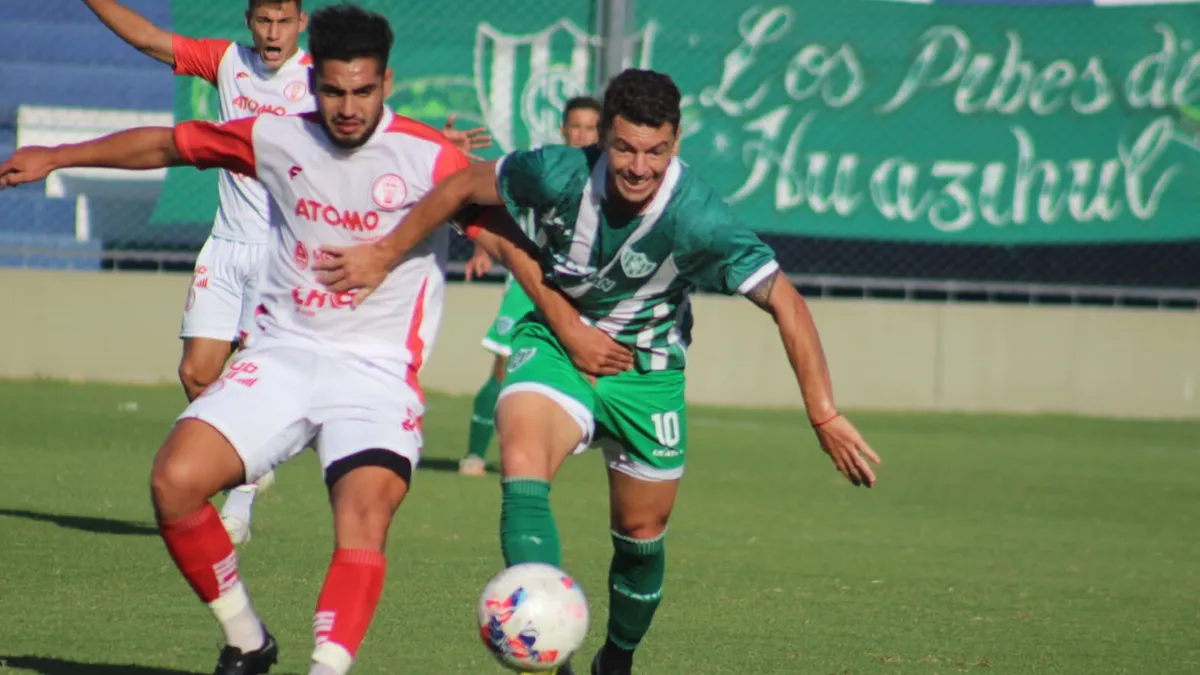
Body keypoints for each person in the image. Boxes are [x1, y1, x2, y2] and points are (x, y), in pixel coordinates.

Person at [312, 68, 883, 675]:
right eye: (626, 149)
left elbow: (786, 302)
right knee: (524, 463)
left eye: (656, 151)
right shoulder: (556, 172)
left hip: (647, 372)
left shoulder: (700, 219)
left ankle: (615, 661)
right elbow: (458, 187)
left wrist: (823, 412)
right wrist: (383, 253)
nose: (639, 167)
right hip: (556, 347)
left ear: (676, 142)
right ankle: (548, 654)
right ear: (605, 138)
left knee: (641, 534)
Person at [2, 5, 477, 674]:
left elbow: (499, 217)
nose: (347, 106)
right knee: (173, 481)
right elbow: (169, 145)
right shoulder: (277, 135)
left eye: (362, 90)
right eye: (334, 91)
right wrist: (59, 156)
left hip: (374, 372)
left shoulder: (431, 155)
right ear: (314, 84)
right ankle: (248, 640)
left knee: (363, 514)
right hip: (283, 351)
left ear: (386, 82)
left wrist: (565, 319)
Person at [81, 0, 490, 543]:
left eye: (283, 21)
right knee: (197, 374)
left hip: (287, 253)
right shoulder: (227, 62)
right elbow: (150, 39)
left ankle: (242, 497)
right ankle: (250, 462)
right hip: (227, 243)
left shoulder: (323, 76)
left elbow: (381, 134)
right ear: (248, 21)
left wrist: (436, 144)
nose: (272, 32)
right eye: (263, 20)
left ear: (301, 23)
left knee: (274, 375)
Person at [458, 95, 602, 477]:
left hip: (584, 287)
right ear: (562, 128)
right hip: (529, 277)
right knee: (504, 363)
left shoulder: (609, 173)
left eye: (591, 127)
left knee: (586, 365)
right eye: (576, 126)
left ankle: (544, 452)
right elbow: (495, 199)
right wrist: (481, 247)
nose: (582, 134)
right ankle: (473, 455)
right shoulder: (544, 165)